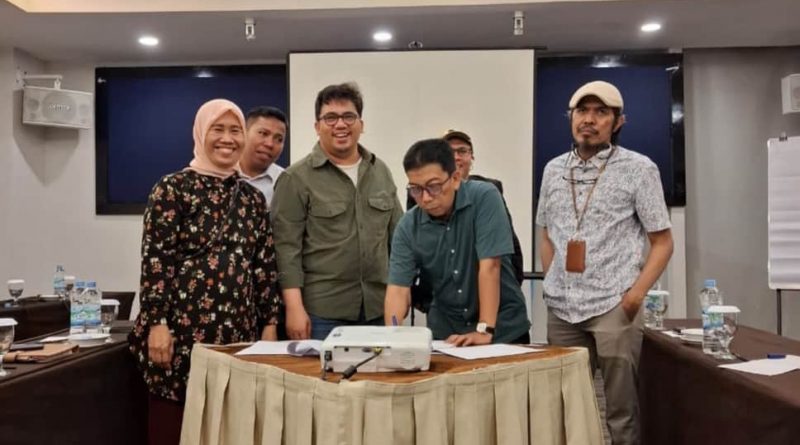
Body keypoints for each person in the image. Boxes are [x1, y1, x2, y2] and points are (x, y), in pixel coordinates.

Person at [129, 99, 280, 445]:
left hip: (238, 334)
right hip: (180, 336)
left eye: (235, 130)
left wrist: (269, 325)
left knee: (231, 427)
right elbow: (156, 260)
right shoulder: (172, 188)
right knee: (175, 426)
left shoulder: (252, 199)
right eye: (218, 129)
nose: (227, 139)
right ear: (200, 133)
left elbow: (263, 265)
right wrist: (157, 323)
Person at [536, 80, 673, 445]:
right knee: (565, 408)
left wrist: (635, 296)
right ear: (570, 117)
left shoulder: (639, 169)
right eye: (582, 111)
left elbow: (662, 242)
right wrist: (552, 281)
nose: (589, 120)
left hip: (614, 306)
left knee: (620, 411)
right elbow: (546, 233)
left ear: (618, 121)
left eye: (601, 112)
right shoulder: (552, 170)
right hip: (562, 310)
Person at [271, 82, 403, 340]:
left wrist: (401, 293)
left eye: (349, 116)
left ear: (361, 124)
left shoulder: (380, 171)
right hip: (322, 314)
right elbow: (286, 250)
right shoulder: (295, 178)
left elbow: (398, 239)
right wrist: (294, 308)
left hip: (379, 309)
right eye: (330, 117)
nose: (340, 124)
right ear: (317, 126)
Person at [384, 138, 531, 345]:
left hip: (502, 331)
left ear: (455, 178)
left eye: (433, 187)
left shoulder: (484, 197)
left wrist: (484, 329)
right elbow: (398, 290)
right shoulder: (408, 226)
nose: (425, 198)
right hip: (447, 337)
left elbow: (490, 266)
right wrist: (391, 338)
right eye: (416, 189)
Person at [238, 105, 288, 208]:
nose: (270, 144)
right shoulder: (220, 174)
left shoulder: (286, 182)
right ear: (244, 133)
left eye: (279, 139)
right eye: (263, 133)